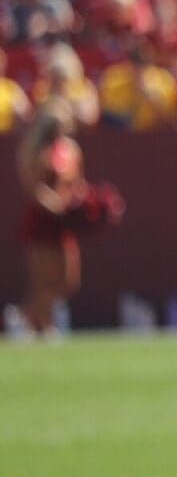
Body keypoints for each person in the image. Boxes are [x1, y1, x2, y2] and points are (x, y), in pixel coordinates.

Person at [14, 103, 121, 339]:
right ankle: (39, 324)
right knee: (43, 279)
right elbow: (35, 188)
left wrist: (85, 203)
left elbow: (78, 184)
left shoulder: (71, 149)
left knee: (68, 281)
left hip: (63, 222)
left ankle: (25, 316)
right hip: (43, 221)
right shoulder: (37, 151)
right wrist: (55, 205)